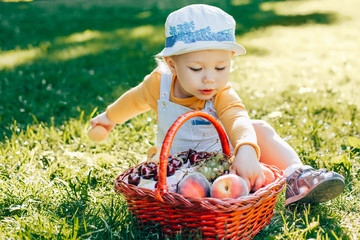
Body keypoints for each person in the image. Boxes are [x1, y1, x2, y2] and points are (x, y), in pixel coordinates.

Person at [90, 4, 345, 206]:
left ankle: (297, 177)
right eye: (197, 68)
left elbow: (237, 118)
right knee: (187, 190)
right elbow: (134, 100)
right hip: (176, 170)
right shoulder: (159, 83)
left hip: (219, 163)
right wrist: (109, 118)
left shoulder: (220, 92)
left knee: (260, 129)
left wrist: (245, 149)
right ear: (172, 64)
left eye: (221, 67)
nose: (210, 77)